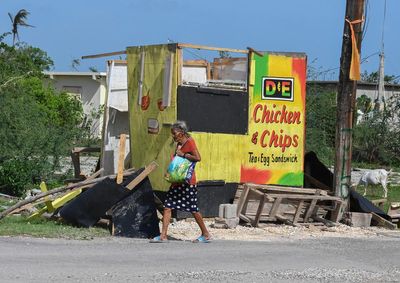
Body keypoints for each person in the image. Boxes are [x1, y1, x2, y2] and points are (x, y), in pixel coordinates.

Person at [151, 121, 211, 243]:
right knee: (167, 206)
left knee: (193, 209)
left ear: (182, 132)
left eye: (174, 133)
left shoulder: (190, 142)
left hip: (188, 182)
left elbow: (198, 158)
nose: (173, 136)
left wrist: (183, 155)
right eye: (172, 133)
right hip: (177, 181)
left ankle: (205, 234)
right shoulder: (179, 143)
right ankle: (163, 235)